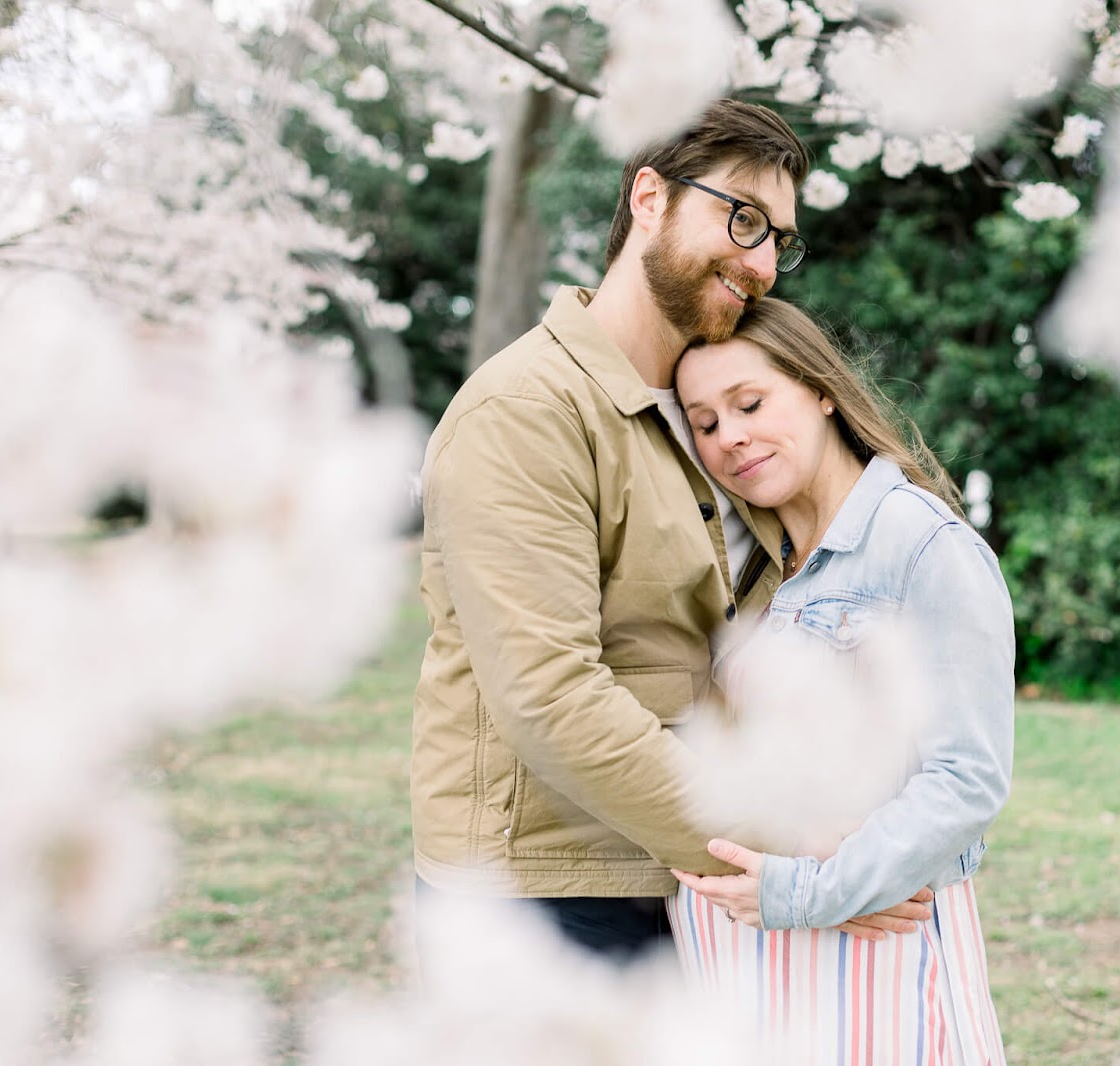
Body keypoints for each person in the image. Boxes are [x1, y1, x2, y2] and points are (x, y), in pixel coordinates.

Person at [410, 99, 928, 961]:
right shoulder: (525, 411)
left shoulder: (715, 416)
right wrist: (791, 855)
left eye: (780, 240)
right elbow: (552, 695)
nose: (763, 262)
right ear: (649, 198)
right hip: (542, 898)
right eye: (744, 218)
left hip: (686, 885)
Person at [670, 298, 1015, 1064]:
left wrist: (808, 893)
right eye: (705, 423)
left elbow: (967, 778)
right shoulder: (748, 564)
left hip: (870, 962)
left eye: (750, 403)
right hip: (744, 970)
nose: (731, 437)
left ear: (822, 388)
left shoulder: (924, 546)